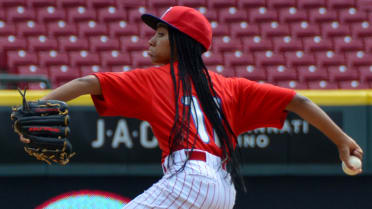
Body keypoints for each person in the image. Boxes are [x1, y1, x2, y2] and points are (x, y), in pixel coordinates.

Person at [19, 6, 363, 209]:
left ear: (182, 42)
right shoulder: (232, 86)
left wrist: (39, 104)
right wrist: (342, 140)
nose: (151, 40)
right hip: (223, 190)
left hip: (190, 179)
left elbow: (88, 83)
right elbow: (298, 101)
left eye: (161, 34)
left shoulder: (156, 78)